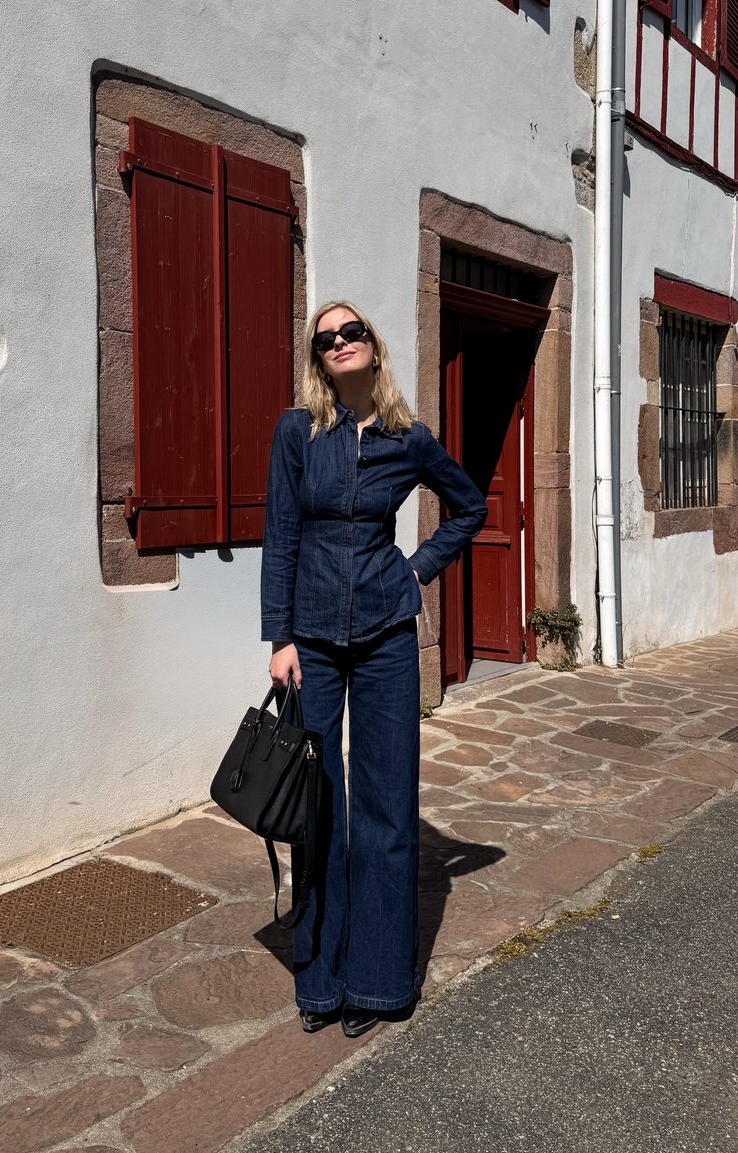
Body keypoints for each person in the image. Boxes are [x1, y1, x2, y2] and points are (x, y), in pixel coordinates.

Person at [261, 300, 487, 1038]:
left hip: (389, 634)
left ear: (373, 345)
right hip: (313, 643)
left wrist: (416, 569)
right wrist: (279, 638)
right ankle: (320, 981)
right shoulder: (298, 433)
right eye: (324, 339)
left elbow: (467, 506)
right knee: (318, 808)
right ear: (317, 358)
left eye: (349, 331)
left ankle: (380, 982)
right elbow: (281, 536)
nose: (338, 342)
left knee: (387, 810)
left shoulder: (408, 439)